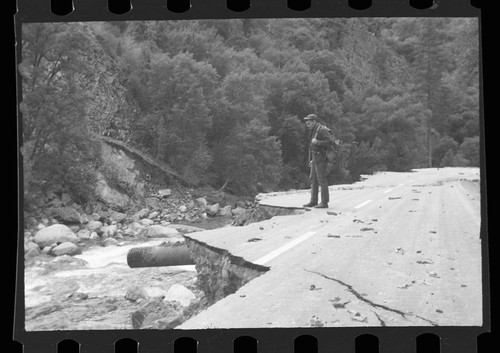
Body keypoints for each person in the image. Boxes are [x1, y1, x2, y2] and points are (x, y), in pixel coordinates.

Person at [303, 113, 332, 208]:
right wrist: (311, 159)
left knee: (321, 180)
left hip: (321, 158)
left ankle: (324, 202)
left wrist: (318, 142)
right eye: (307, 123)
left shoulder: (322, 130)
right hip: (315, 158)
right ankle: (313, 201)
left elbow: (330, 142)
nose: (308, 125)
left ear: (314, 121)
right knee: (313, 179)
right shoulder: (314, 130)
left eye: (309, 123)